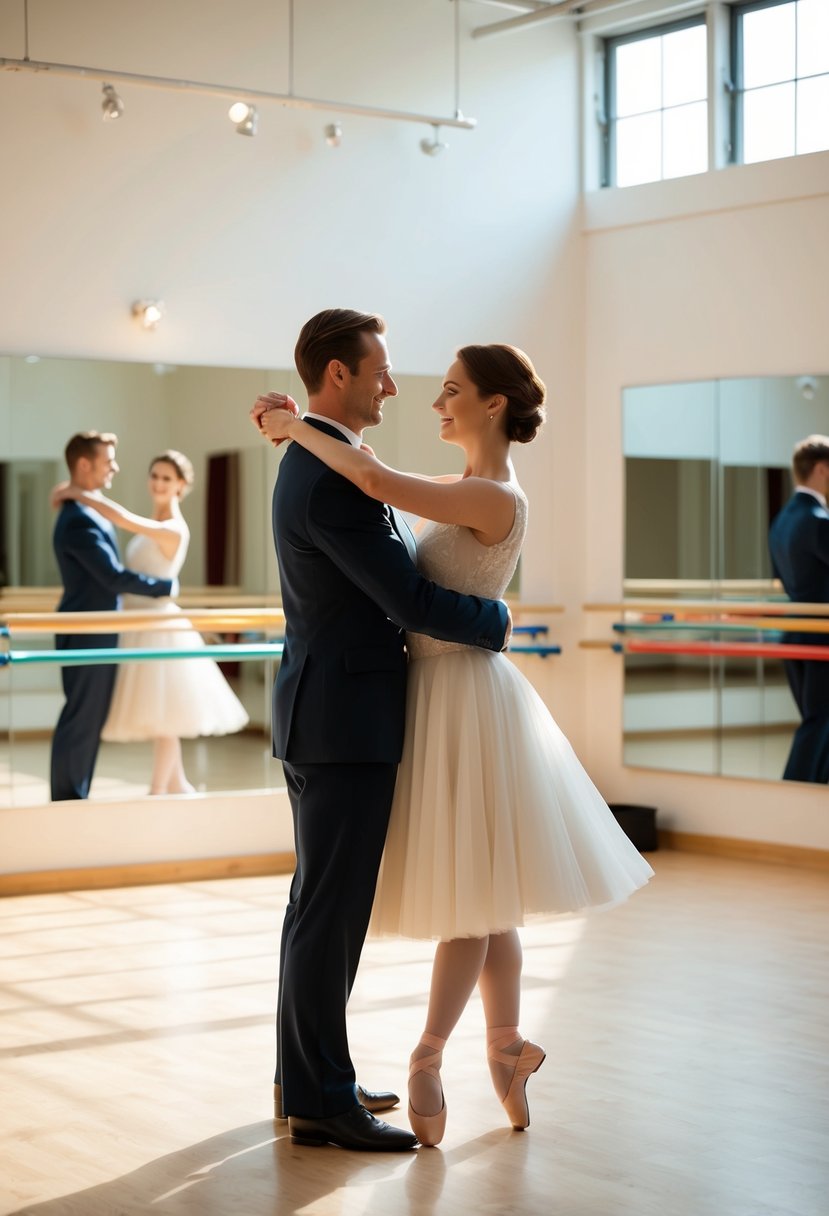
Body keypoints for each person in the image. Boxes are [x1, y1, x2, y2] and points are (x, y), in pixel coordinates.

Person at [256, 341, 655, 1147]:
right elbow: (373, 477)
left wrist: (293, 426)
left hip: (459, 696)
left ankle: (411, 1062)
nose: (424, 399)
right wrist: (302, 428)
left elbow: (374, 484)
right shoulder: (447, 484)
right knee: (421, 897)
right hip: (404, 700)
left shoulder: (486, 493)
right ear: (341, 372)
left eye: (449, 390)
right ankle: (390, 1070)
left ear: (493, 405)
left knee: (469, 890)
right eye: (397, 378)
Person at [249, 309, 511, 1153]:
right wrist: (499, 618)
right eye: (380, 372)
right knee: (328, 916)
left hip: (324, 711)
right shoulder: (327, 478)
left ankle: (307, 1079)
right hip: (343, 722)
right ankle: (322, 1100)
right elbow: (408, 602)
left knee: (313, 912)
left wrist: (283, 422)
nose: (392, 386)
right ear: (337, 378)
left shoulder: (312, 458)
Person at [53, 450, 249, 795]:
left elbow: (124, 520)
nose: (158, 483)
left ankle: (157, 791)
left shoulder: (172, 528)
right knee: (162, 716)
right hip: (138, 623)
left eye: (167, 478)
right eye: (154, 475)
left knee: (165, 715)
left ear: (181, 486)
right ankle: (177, 785)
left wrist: (77, 492)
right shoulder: (155, 523)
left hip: (160, 628)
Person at [50, 432, 178, 801]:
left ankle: (76, 796)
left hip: (98, 628)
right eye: (109, 461)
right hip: (88, 628)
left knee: (88, 720)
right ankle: (68, 800)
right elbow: (111, 576)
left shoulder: (84, 509)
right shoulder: (78, 520)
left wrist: (68, 490)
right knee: (81, 720)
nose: (116, 468)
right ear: (85, 464)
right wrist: (165, 587)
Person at [768, 435, 829, 783]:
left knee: (818, 721)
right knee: (819, 720)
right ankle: (793, 792)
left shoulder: (781, 520)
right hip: (820, 636)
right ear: (821, 469)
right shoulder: (818, 519)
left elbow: (782, 578)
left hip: (794, 632)